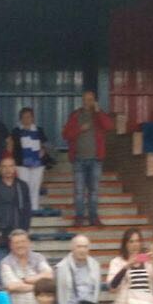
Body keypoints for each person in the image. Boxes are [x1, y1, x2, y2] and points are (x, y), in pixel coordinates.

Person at [62, 89, 111, 228]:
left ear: (94, 101)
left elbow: (108, 126)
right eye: (84, 99)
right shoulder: (75, 115)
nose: (86, 102)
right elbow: (65, 134)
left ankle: (93, 218)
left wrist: (98, 111)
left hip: (95, 159)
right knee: (79, 191)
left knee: (94, 191)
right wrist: (80, 129)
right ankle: (79, 217)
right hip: (79, 159)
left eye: (90, 99)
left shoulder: (99, 115)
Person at [0, 229, 51, 304]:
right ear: (11, 245)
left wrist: (27, 280)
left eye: (23, 241)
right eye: (16, 243)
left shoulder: (38, 258)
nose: (20, 245)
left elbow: (49, 275)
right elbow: (12, 286)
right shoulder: (5, 262)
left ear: (29, 243)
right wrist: (39, 286)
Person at [0, 156, 28, 264]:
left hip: (18, 232)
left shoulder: (22, 186)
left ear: (15, 168)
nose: (7, 169)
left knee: (19, 266)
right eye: (4, 166)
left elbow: (27, 210)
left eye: (10, 166)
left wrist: (24, 230)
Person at [10, 107, 49, 215]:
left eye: (29, 117)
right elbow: (12, 147)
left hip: (37, 164)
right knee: (24, 188)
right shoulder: (16, 131)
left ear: (33, 118)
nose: (26, 119)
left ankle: (34, 210)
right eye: (24, 117)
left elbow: (45, 144)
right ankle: (24, 211)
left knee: (35, 188)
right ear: (20, 119)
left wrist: (43, 149)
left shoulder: (39, 130)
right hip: (21, 164)